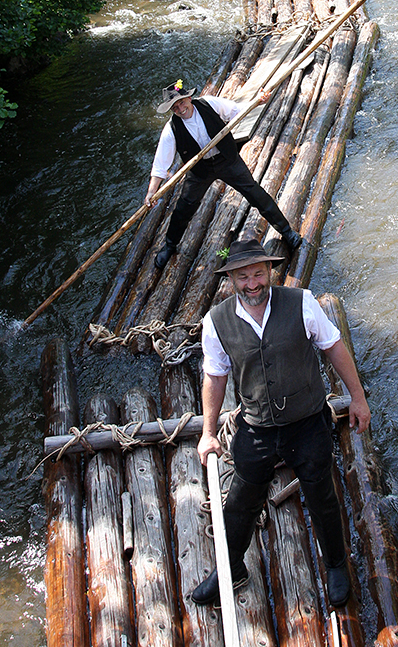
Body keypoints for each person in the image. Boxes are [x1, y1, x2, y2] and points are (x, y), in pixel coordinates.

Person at [193, 238, 371, 608]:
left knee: (322, 496)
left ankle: (336, 565)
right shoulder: (216, 322)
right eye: (243, 277)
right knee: (240, 502)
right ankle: (231, 568)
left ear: (270, 272)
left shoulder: (302, 303)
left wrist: (357, 398)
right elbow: (215, 375)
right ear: (231, 280)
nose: (253, 283)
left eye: (259, 273)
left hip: (307, 422)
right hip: (257, 427)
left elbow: (334, 347)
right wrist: (209, 433)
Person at [146, 80, 302, 269]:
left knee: (255, 193)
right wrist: (152, 191)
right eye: (175, 107)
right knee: (183, 209)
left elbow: (237, 110)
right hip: (200, 170)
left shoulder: (208, 103)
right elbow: (160, 164)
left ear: (189, 98)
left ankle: (287, 232)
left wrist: (258, 101)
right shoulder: (171, 130)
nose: (180, 109)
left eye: (181, 102)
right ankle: (169, 246)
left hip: (227, 159)